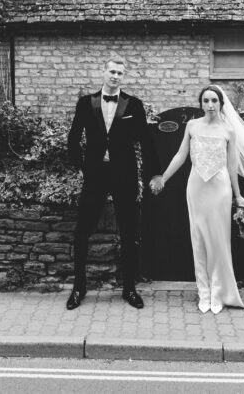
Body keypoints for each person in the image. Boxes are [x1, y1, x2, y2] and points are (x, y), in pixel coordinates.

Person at [150, 85, 244, 313]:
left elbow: (232, 165)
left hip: (220, 189)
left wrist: (238, 196)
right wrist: (163, 178)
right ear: (201, 103)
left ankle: (218, 293)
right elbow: (180, 154)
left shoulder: (229, 130)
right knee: (198, 239)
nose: (210, 105)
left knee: (219, 241)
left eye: (214, 100)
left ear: (221, 103)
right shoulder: (192, 126)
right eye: (206, 101)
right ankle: (203, 293)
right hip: (195, 187)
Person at [66, 56, 156, 310]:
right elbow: (73, 139)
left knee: (129, 232)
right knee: (82, 231)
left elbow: (146, 143)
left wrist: (152, 175)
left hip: (124, 175)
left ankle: (129, 289)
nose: (115, 76)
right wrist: (82, 168)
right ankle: (78, 288)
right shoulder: (86, 103)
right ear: (103, 72)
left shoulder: (133, 105)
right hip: (95, 175)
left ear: (123, 77)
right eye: (112, 71)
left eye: (120, 73)